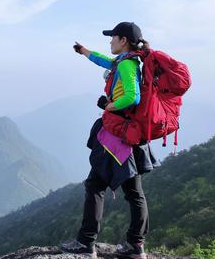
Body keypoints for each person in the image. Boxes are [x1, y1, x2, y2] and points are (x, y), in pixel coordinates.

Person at [60, 22, 160, 259]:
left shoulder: (125, 64)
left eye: (113, 37)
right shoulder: (131, 60)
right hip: (132, 134)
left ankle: (86, 242)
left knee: (95, 185)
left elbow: (132, 96)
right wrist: (85, 52)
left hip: (118, 136)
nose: (110, 41)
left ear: (123, 40)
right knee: (134, 192)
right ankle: (136, 245)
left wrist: (109, 105)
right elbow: (106, 61)